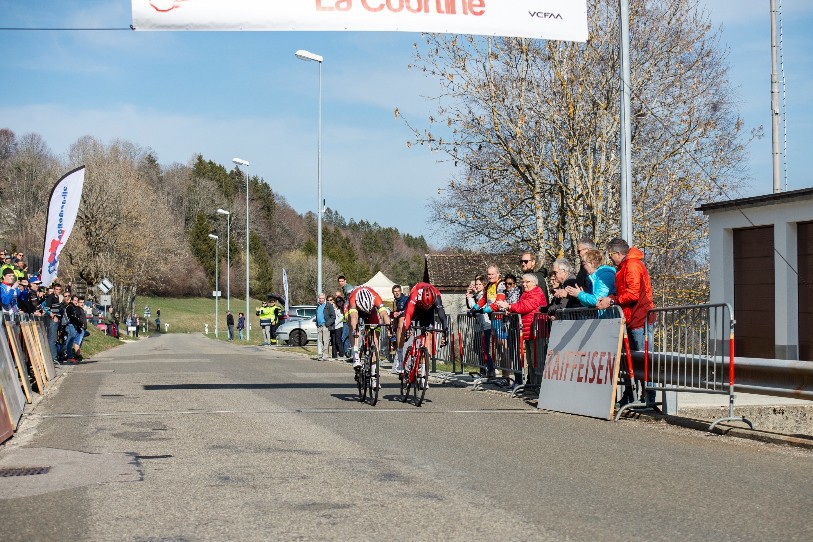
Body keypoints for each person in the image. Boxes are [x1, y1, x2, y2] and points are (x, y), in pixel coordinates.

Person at [597, 238, 656, 404]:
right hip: (632, 317)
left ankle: (649, 398)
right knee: (633, 359)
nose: (610, 259)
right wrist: (611, 298)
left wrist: (612, 301)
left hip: (640, 318)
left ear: (617, 253)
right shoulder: (624, 266)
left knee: (642, 359)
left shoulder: (632, 266)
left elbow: (633, 294)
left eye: (610, 255)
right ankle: (633, 396)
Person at [496, 273, 547, 386]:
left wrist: (509, 306)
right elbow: (520, 305)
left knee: (537, 361)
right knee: (530, 361)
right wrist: (511, 310)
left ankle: (540, 386)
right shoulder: (525, 293)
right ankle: (532, 385)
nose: (524, 284)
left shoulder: (536, 293)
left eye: (527, 282)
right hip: (528, 330)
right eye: (523, 282)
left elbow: (525, 306)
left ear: (534, 283)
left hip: (537, 331)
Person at [397, 282, 449, 386]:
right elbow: (408, 314)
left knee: (428, 335)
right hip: (415, 306)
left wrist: (445, 333)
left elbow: (442, 317)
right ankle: (400, 357)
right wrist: (407, 328)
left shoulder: (436, 296)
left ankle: (424, 374)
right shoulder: (415, 294)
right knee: (402, 323)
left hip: (428, 311)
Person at [346, 285, 391, 370]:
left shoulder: (376, 297)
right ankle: (355, 356)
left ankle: (374, 370)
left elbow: (384, 314)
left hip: (372, 310)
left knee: (375, 336)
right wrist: (355, 329)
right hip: (356, 311)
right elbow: (354, 317)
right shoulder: (353, 298)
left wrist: (389, 328)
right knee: (352, 328)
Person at [466, 276, 493, 378]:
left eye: (479, 284)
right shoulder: (476, 295)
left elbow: (476, 308)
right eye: (476, 284)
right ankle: (484, 368)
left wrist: (470, 298)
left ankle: (490, 369)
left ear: (484, 285)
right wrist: (469, 296)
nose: (477, 286)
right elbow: (471, 308)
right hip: (479, 325)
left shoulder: (483, 296)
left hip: (486, 324)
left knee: (485, 349)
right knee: (478, 348)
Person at [390, 284, 409, 371]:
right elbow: (392, 313)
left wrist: (399, 313)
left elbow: (406, 310)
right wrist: (393, 314)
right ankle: (399, 355)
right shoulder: (395, 301)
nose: (397, 293)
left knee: (400, 326)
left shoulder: (405, 299)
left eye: (398, 291)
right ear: (393, 293)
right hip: (398, 323)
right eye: (395, 292)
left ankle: (400, 355)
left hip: (407, 319)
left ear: (401, 291)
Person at [316, 293, 335, 360]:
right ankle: (322, 354)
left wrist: (327, 324)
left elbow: (333, 316)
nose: (321, 300)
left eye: (322, 298)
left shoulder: (328, 305)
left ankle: (325, 355)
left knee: (326, 341)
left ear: (324, 299)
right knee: (321, 341)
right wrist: (317, 323)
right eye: (320, 298)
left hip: (325, 325)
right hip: (319, 326)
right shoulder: (318, 305)